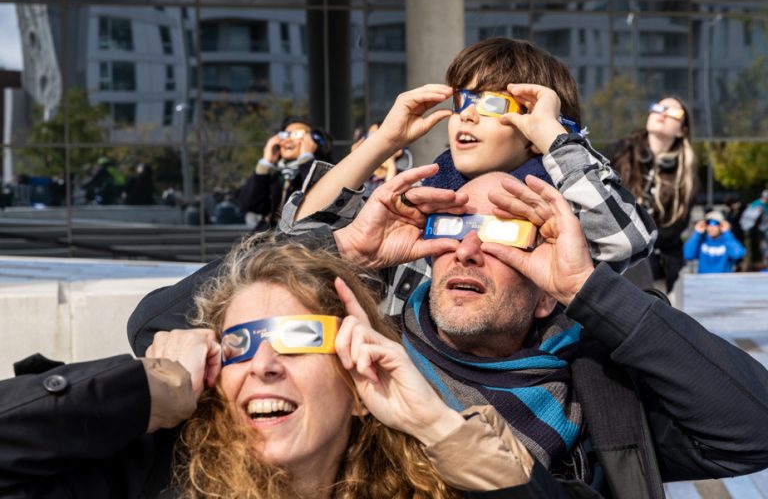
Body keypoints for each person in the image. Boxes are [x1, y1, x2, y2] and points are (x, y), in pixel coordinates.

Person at [128, 167, 768, 498]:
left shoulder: (597, 393)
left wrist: (589, 290)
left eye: (504, 237)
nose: (466, 250)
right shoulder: (365, 361)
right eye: (451, 230)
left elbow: (752, 431)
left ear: (547, 294)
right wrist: (346, 246)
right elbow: (156, 328)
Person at [1, 240, 569, 498]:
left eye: (300, 339)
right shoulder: (139, 477)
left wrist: (438, 426)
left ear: (356, 385)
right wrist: (146, 390)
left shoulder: (436, 486)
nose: (264, 365)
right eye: (239, 345)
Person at [278, 38, 656, 317]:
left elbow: (625, 241)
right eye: (461, 101)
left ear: (536, 126)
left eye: (492, 103)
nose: (467, 115)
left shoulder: (557, 217)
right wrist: (384, 141)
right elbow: (300, 240)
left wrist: (557, 139)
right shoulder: (419, 205)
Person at [603, 97, 697, 294]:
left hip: (656, 263)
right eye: (658, 107)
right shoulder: (617, 153)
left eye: (673, 113)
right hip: (609, 252)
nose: (662, 113)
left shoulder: (686, 174)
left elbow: (675, 229)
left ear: (682, 130)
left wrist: (639, 240)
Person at [238, 116, 333, 231]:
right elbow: (249, 204)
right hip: (267, 243)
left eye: (297, 134)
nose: (288, 140)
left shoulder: (327, 170)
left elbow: (323, 198)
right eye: (285, 135)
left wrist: (306, 160)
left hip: (302, 242)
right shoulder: (276, 174)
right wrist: (265, 164)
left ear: (314, 140)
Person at [351, 121, 411, 197]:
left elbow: (387, 196)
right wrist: (354, 159)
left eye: (376, 137)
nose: (370, 142)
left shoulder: (403, 176)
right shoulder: (364, 175)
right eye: (369, 136)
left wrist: (390, 166)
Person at [740, 189, 768, 271]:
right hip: (756, 233)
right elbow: (748, 221)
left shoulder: (764, 205)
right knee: (755, 250)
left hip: (762, 232)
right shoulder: (757, 205)